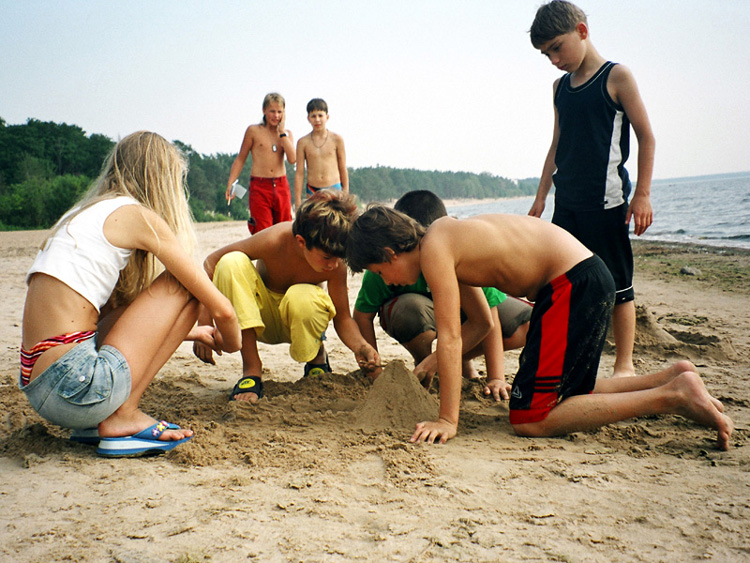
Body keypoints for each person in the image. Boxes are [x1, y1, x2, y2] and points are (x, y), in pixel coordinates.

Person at [345, 206, 733, 450]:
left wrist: (448, 420)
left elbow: (450, 336)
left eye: (381, 272)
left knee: (531, 418)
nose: (390, 282)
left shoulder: (434, 250)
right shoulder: (444, 238)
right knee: (570, 390)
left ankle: (672, 397)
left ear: (390, 253)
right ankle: (672, 376)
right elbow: (481, 323)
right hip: (578, 279)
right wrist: (432, 364)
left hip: (571, 283)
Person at [20, 131, 242, 457]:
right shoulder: (137, 215)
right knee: (183, 283)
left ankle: (101, 420)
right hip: (78, 388)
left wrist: (192, 331)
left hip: (43, 387)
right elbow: (222, 309)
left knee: (143, 296)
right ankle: (124, 415)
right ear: (162, 179)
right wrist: (233, 339)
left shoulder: (86, 214)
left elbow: (112, 319)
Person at [527, 1, 656, 379]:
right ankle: (565, 356)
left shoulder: (617, 77)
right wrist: (541, 197)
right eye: (545, 53)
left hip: (607, 203)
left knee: (618, 286)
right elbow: (557, 145)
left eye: (556, 47)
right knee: (561, 281)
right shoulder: (560, 88)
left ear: (582, 31)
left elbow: (647, 137)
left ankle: (624, 365)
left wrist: (642, 194)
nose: (553, 59)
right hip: (566, 203)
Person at [193, 189, 380, 403]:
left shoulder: (334, 264)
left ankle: (317, 358)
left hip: (299, 322)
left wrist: (361, 346)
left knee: (304, 295)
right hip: (257, 320)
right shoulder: (275, 239)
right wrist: (204, 323)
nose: (333, 265)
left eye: (339, 258)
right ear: (301, 242)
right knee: (231, 261)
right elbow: (211, 262)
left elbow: (343, 318)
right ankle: (251, 369)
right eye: (327, 257)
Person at [353, 190, 531, 400]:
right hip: (425, 318)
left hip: (465, 316)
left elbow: (486, 318)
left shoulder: (454, 252)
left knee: (531, 323)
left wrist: (496, 377)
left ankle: (447, 362)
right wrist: (376, 373)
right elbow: (362, 316)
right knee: (410, 310)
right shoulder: (382, 269)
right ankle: (429, 362)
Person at [226, 92, 296, 234]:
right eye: (272, 111)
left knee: (284, 230)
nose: (276, 116)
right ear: (264, 111)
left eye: (279, 112)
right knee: (262, 231)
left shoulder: (286, 134)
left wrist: (282, 132)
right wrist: (230, 184)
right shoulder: (253, 131)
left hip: (281, 185)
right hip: (260, 186)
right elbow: (241, 159)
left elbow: (292, 159)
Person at [293, 98, 349, 212]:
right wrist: (298, 200)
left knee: (336, 226)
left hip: (334, 189)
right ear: (308, 118)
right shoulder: (303, 142)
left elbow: (343, 168)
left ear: (327, 117)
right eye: (313, 116)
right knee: (314, 225)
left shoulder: (337, 139)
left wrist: (346, 192)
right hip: (313, 190)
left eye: (320, 115)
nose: (317, 120)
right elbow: (299, 173)